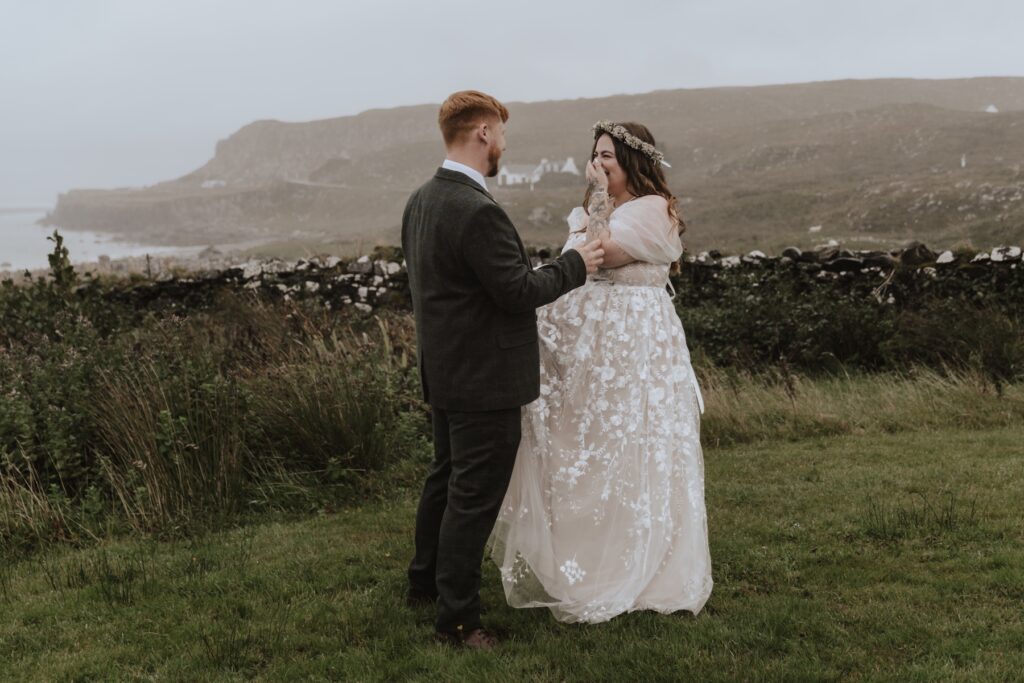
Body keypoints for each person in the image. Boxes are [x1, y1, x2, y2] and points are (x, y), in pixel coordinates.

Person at [401, 90, 606, 649]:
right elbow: (516, 292)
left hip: (445, 371)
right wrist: (573, 265)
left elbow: (462, 287)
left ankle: (423, 585)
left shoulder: (421, 200)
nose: (505, 146)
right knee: (472, 498)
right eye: (502, 134)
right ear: (484, 133)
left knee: (445, 480)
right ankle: (458, 620)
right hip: (484, 377)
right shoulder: (477, 208)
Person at [489, 121, 713, 623]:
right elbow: (576, 257)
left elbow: (598, 255)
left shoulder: (653, 210)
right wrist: (592, 207)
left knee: (637, 443)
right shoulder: (595, 211)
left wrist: (594, 200)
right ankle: (587, 560)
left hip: (635, 346)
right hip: (591, 348)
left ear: (633, 162)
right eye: (595, 156)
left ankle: (645, 568)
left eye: (607, 157)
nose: (598, 164)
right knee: (590, 446)